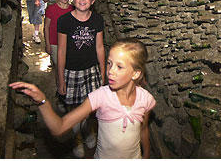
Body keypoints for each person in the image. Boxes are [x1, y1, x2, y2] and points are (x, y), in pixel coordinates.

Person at [9, 38, 156, 159]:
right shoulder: (100, 97)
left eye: (119, 67)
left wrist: (146, 154)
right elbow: (59, 127)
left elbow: (143, 130)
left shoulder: (145, 100)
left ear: (135, 74)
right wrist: (42, 101)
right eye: (109, 63)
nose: (110, 71)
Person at [57, 0, 106, 157]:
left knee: (91, 107)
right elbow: (61, 50)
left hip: (91, 70)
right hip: (71, 72)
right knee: (74, 110)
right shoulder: (64, 21)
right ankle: (77, 137)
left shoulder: (97, 20)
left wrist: (103, 72)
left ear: (93, 0)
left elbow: (100, 48)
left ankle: (89, 131)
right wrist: (61, 79)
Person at [44, 0, 74, 112]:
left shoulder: (73, 9)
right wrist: (47, 43)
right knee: (59, 68)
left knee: (68, 68)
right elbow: (46, 27)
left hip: (68, 44)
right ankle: (60, 93)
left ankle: (68, 94)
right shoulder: (51, 9)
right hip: (55, 43)